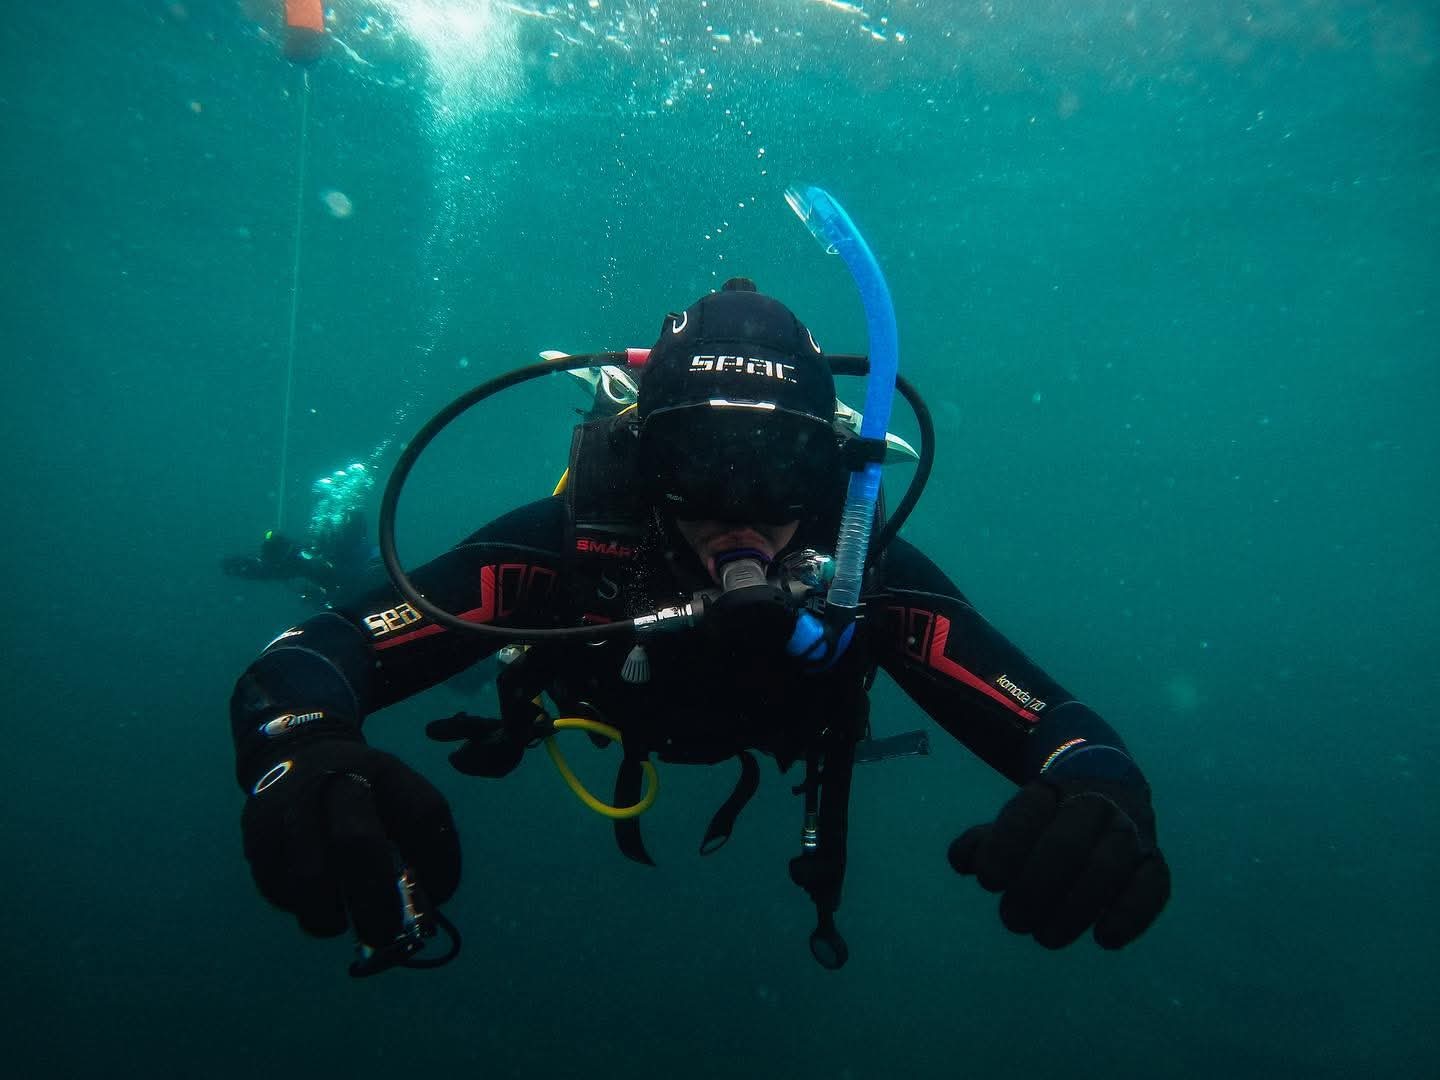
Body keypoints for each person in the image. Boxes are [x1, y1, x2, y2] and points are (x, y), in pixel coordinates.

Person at [229, 278, 1171, 974]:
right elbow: (316, 657)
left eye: (779, 470)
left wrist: (1104, 787)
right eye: (699, 466)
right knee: (490, 659)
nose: (740, 512)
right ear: (643, 463)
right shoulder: (568, 548)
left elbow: (1061, 727)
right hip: (583, 677)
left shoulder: (861, 576)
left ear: (829, 470)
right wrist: (299, 745)